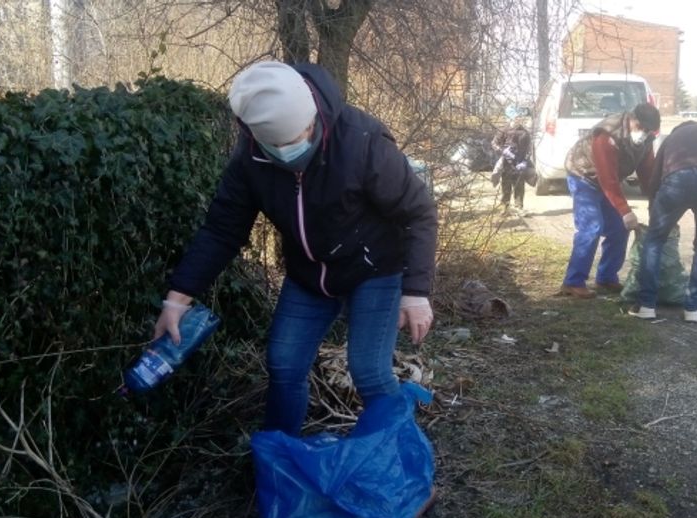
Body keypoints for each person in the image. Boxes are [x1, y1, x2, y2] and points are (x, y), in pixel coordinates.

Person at [153, 60, 438, 436]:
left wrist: (416, 292)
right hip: (308, 274)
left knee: (368, 369)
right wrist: (177, 299)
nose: (295, 148)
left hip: (373, 268)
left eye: (304, 134)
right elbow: (222, 230)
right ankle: (280, 462)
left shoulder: (361, 140)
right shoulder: (250, 159)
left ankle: (398, 470)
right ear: (256, 136)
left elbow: (419, 213)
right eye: (282, 145)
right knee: (284, 364)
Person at [629, 121, 697, 323]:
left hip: (677, 179)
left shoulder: (673, 138)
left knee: (654, 241)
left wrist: (655, 215)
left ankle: (646, 306)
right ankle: (693, 309)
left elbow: (654, 179)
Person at [559, 102, 660, 299]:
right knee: (591, 227)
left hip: (608, 180)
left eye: (649, 131)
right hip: (583, 176)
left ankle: (606, 277)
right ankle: (573, 282)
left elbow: (648, 173)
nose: (644, 133)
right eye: (641, 128)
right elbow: (608, 180)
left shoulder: (646, 140)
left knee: (620, 228)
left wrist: (655, 203)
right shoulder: (607, 135)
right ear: (632, 120)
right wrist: (625, 210)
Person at [491, 109, 532, 212]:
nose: (518, 119)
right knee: (506, 184)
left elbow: (529, 149)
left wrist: (525, 161)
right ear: (509, 118)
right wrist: (503, 151)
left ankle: (519, 207)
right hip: (507, 163)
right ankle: (505, 207)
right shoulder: (504, 130)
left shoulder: (525, 133)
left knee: (519, 186)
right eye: (515, 117)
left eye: (519, 117)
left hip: (519, 163)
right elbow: (494, 143)